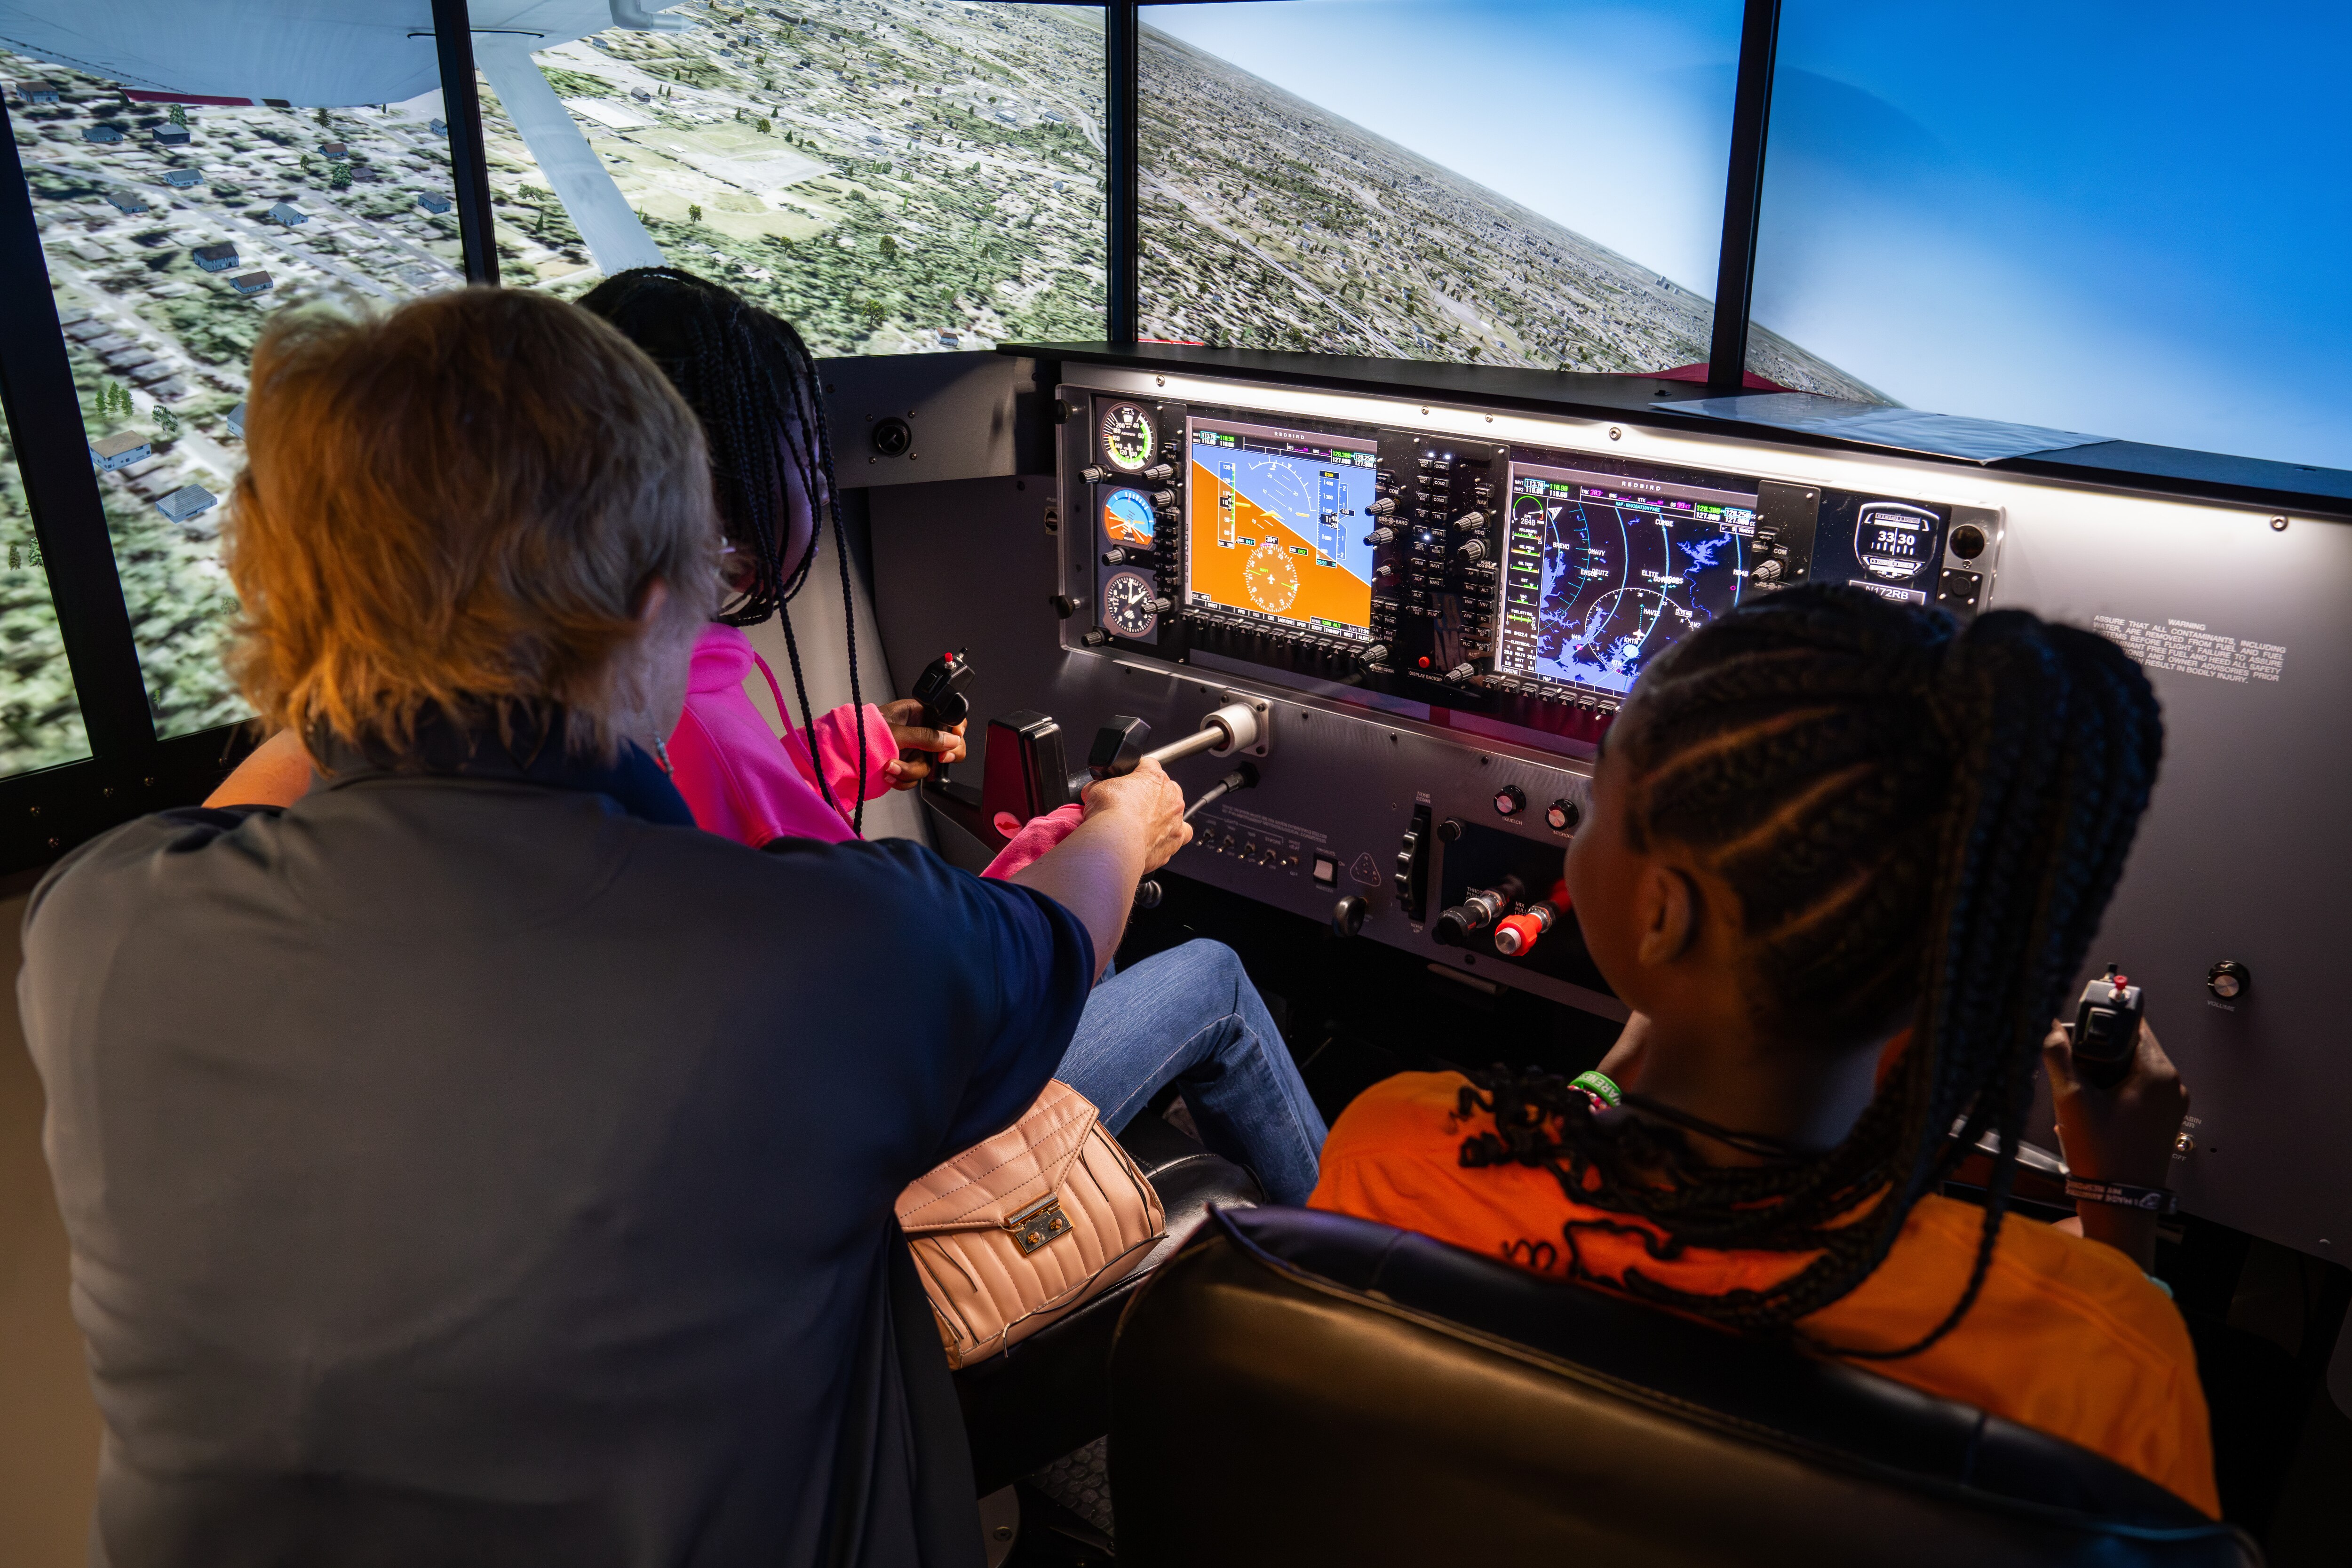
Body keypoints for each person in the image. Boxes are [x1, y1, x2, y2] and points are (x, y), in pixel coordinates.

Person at [17, 286, 1192, 1567]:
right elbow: (1064, 934)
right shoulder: (817, 951)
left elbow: (276, 785)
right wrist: (1129, 816)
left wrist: (380, 592)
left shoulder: (100, 925)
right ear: (644, 605)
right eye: (699, 572)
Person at [1309, 585, 2218, 1517]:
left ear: (1662, 915)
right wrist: (2120, 1200)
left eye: (1591, 806)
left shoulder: (1399, 1146)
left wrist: (1593, 1093)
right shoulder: (2106, 1347)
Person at [576, 266, 1327, 1204]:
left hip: (724, 1108)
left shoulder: (606, 679)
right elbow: (935, 989)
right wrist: (1098, 837)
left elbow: (727, 826)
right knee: (1213, 977)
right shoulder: (701, 717)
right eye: (805, 459)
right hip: (877, 1145)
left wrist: (847, 746)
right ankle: (1363, 1275)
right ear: (726, 495)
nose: (817, 479)